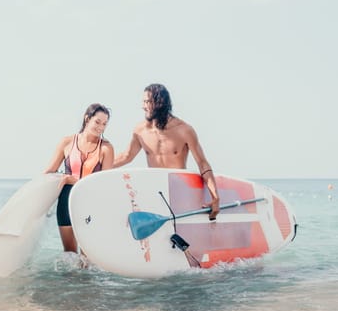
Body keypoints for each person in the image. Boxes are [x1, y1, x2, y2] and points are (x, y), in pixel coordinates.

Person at [114, 83, 220, 220]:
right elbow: (126, 156)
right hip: (154, 192)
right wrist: (97, 167)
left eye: (147, 102)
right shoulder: (140, 131)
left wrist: (215, 196)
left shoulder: (184, 130)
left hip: (179, 192)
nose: (143, 106)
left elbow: (202, 163)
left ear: (159, 102)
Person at [45, 103, 114, 252]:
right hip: (65, 201)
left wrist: (72, 180)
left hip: (91, 204)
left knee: (86, 256)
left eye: (104, 124)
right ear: (87, 118)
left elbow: (104, 183)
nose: (101, 127)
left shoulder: (106, 148)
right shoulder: (67, 142)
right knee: (69, 254)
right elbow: (50, 171)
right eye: (97, 122)